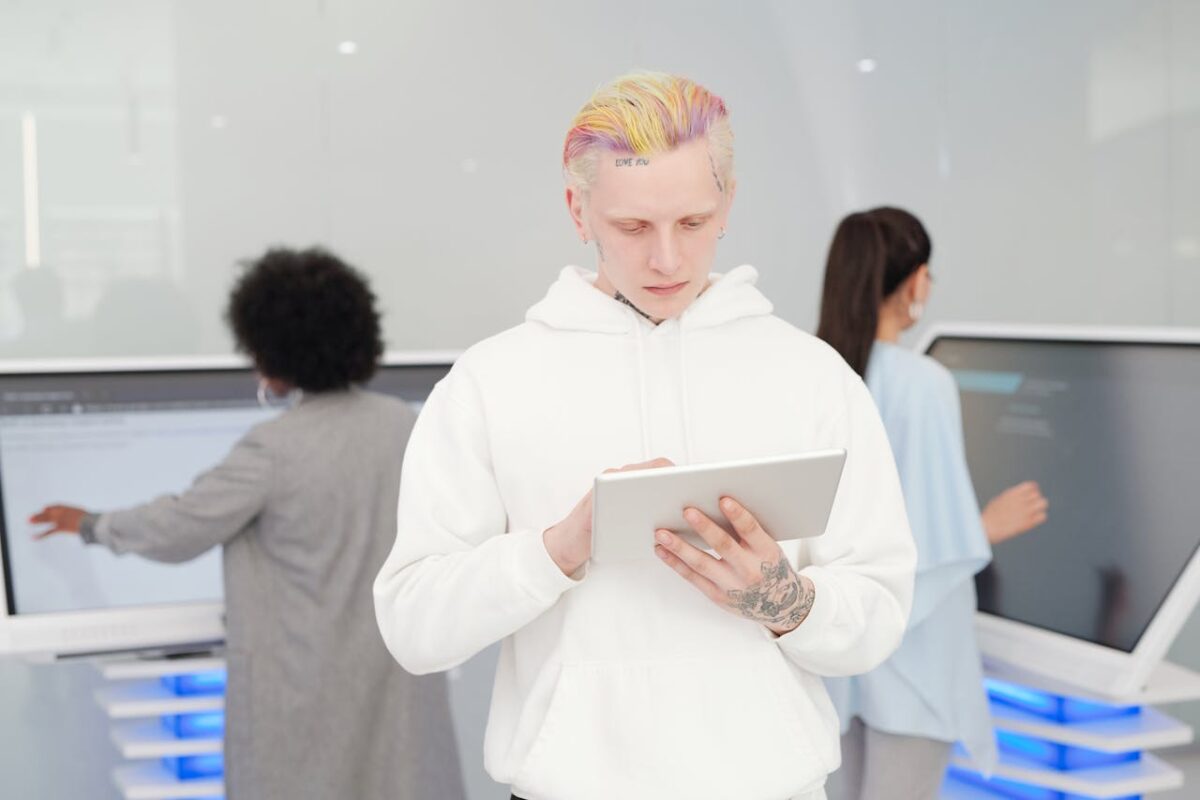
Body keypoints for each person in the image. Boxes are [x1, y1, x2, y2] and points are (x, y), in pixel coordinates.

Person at [373, 72, 917, 800]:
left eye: (692, 223)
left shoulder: (813, 377)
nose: (667, 259)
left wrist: (784, 599)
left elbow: (879, 613)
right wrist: (558, 550)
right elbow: (414, 627)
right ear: (578, 211)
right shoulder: (490, 383)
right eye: (633, 227)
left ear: (727, 206)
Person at [31, 247, 465, 800]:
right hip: (394, 678)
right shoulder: (403, 424)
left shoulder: (274, 449)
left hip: (302, 682)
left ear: (271, 350)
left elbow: (180, 527)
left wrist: (91, 523)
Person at [816, 208, 1048, 799]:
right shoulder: (924, 384)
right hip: (911, 662)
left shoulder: (816, 373)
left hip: (836, 654)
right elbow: (929, 541)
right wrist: (987, 526)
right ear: (916, 282)